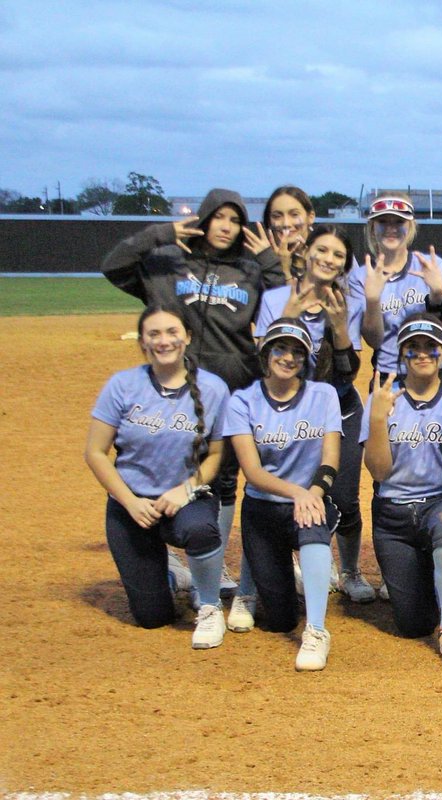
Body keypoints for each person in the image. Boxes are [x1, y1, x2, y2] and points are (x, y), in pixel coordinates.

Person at [101, 188, 288, 598]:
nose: (226, 226)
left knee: (221, 481)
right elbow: (114, 265)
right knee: (158, 462)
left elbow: (283, 308)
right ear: (202, 219)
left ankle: (212, 568)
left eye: (235, 219)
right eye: (218, 217)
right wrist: (161, 234)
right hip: (169, 392)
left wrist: (269, 262)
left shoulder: (248, 270)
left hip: (231, 391)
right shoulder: (169, 264)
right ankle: (155, 551)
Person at [85, 304, 231, 649]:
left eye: (171, 332)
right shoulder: (122, 385)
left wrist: (187, 489)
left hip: (185, 500)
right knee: (152, 618)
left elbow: (216, 453)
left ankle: (209, 604)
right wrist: (130, 502)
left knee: (199, 528)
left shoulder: (213, 389)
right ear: (143, 342)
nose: (163, 340)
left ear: (188, 337)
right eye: (154, 334)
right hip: (132, 505)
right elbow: (95, 453)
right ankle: (170, 573)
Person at [252, 225, 372, 621]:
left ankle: (351, 570)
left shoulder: (347, 302)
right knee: (278, 493)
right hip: (284, 412)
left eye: (338, 255)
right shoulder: (273, 298)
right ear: (306, 253)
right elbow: (263, 361)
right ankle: (271, 574)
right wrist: (288, 312)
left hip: (338, 407)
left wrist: (339, 328)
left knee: (345, 496)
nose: (329, 259)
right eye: (322, 250)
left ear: (343, 265)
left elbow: (346, 374)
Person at [362, 314, 442, 668]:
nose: (422, 354)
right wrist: (377, 421)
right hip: (394, 513)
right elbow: (380, 471)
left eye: (431, 347)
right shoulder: (382, 399)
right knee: (412, 624)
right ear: (401, 355)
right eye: (413, 348)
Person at [225, 319, 342, 671]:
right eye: (280, 348)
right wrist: (297, 492)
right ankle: (257, 583)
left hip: (311, 501)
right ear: (266, 352)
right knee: (279, 619)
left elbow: (331, 458)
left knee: (313, 522)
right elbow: (253, 472)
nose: (288, 357)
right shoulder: (242, 401)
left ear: (306, 358)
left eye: (297, 351)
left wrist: (314, 493)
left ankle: (317, 630)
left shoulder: (323, 395)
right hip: (263, 509)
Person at [356, 195, 442, 385]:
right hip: (389, 374)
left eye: (399, 221)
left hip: (434, 369)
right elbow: (374, 341)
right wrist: (373, 301)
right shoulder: (361, 276)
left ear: (410, 225)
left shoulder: (431, 265)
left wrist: (437, 295)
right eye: (383, 221)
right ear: (372, 227)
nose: (391, 228)